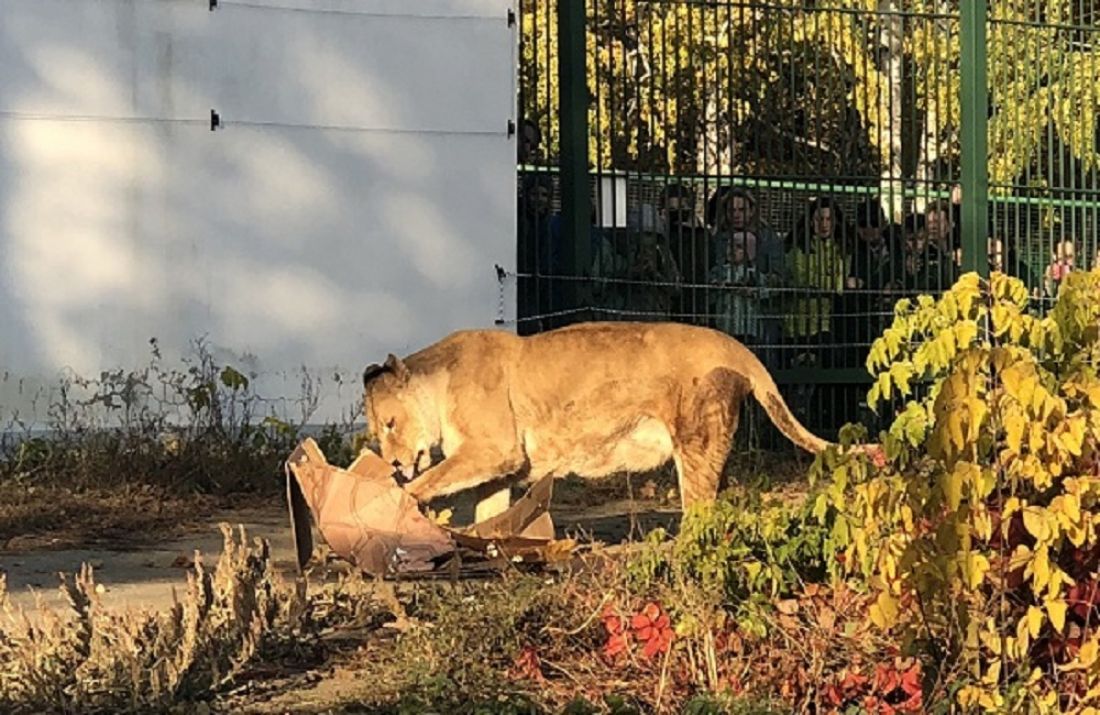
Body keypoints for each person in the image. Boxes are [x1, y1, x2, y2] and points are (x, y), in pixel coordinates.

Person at [661, 183, 710, 324]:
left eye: (682, 208)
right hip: (669, 300)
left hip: (694, 298)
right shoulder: (661, 236)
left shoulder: (701, 235)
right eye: (672, 210)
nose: (678, 214)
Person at [708, 230, 766, 345]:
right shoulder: (719, 271)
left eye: (739, 247)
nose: (732, 250)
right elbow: (709, 291)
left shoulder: (754, 273)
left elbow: (767, 291)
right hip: (725, 324)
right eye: (730, 245)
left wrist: (752, 292)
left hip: (747, 326)